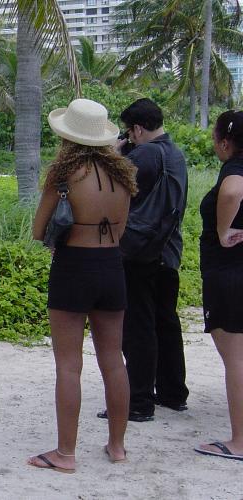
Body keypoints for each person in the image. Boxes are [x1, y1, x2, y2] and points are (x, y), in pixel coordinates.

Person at [30, 98, 138, 472]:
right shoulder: (124, 177)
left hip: (73, 267)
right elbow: (121, 231)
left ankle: (65, 453)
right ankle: (118, 445)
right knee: (114, 362)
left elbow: (38, 230)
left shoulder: (63, 177)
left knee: (69, 366)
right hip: (111, 265)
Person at [98, 98, 189, 422]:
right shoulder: (175, 153)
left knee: (138, 326)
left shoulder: (147, 153)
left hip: (139, 252)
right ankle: (172, 392)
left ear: (137, 128)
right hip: (167, 251)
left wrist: (112, 150)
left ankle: (137, 401)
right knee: (165, 322)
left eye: (129, 132)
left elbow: (110, 184)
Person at [194, 110, 243, 461]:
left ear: (225, 142)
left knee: (236, 360)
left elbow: (232, 192)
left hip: (228, 272)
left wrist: (224, 232)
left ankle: (239, 441)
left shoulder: (234, 170)